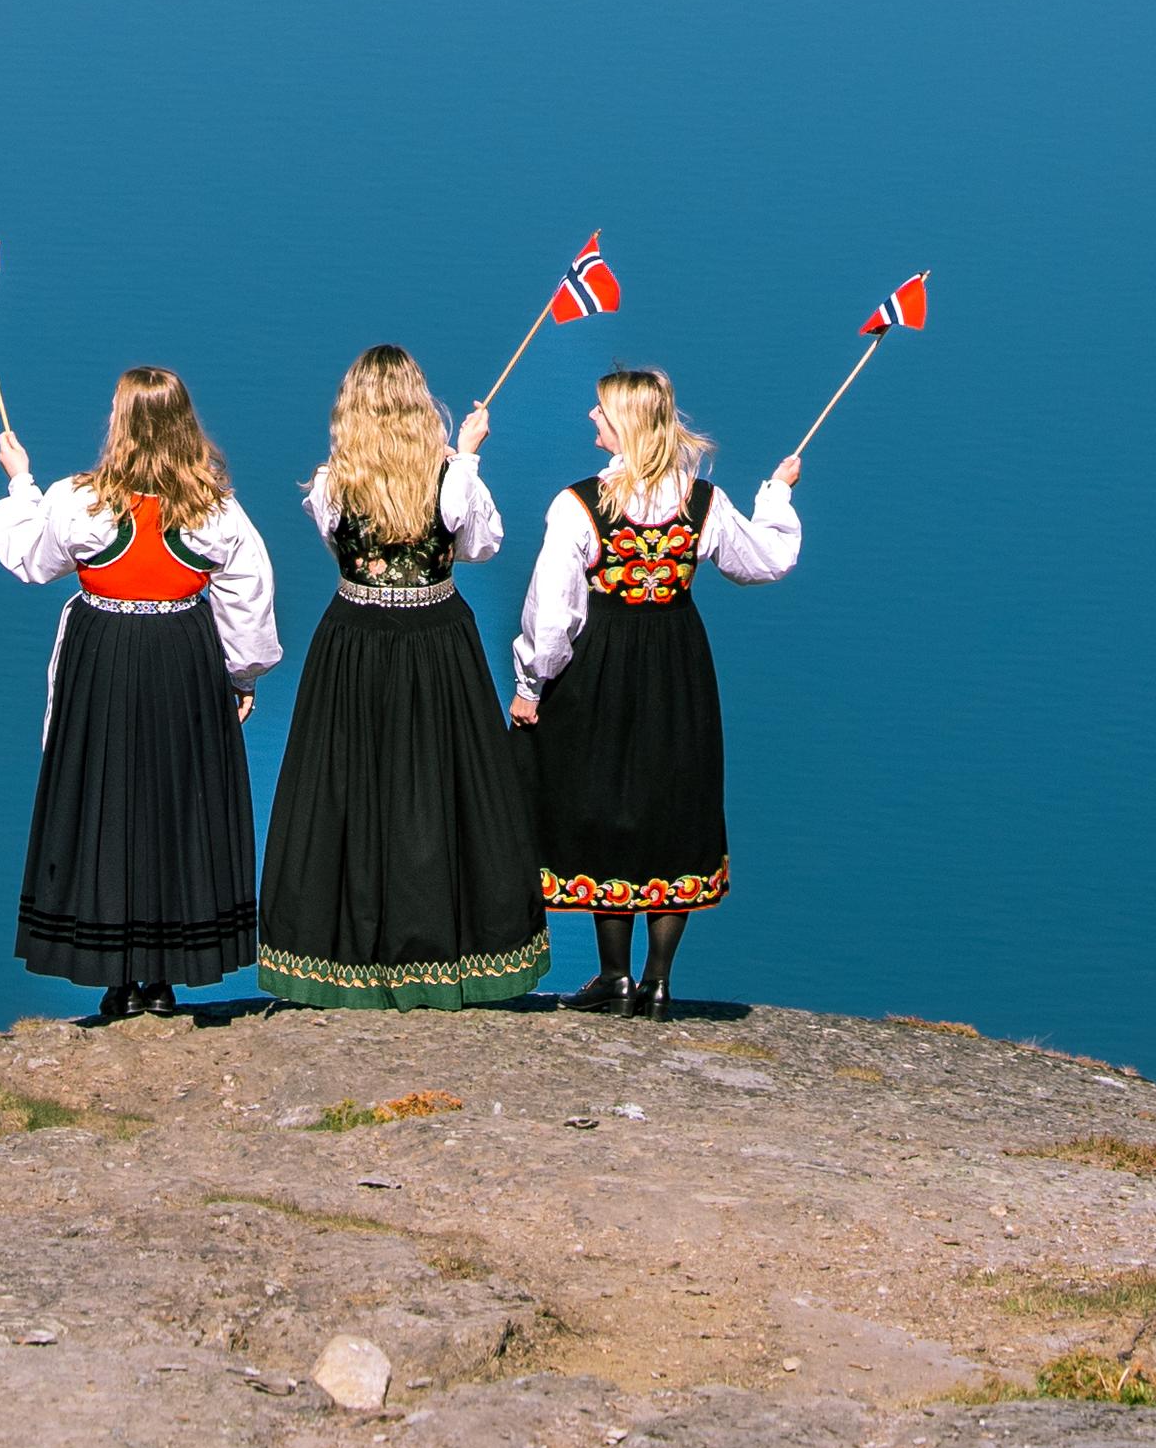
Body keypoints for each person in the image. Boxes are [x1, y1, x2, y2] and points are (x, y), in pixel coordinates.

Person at [256, 340, 547, 1009]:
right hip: (436, 640)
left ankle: (347, 956)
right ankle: (441, 952)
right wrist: (467, 456)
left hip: (352, 641)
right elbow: (478, 545)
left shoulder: (331, 483)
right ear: (422, 408)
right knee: (439, 791)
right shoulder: (452, 481)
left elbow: (338, 542)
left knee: (349, 789)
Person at [509, 362, 801, 1015]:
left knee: (605, 804)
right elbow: (765, 562)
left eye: (601, 410)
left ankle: (613, 979)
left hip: (603, 666)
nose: (591, 417)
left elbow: (552, 615)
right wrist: (777, 496)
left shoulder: (579, 503)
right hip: (678, 667)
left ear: (625, 425)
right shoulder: (704, 502)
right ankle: (659, 980)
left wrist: (532, 684)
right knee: (674, 807)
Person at [0, 361, 279, 1016]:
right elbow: (250, 601)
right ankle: (163, 977)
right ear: (185, 427)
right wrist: (241, 674)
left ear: (119, 425)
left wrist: (20, 484)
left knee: (107, 803)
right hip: (183, 659)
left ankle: (116, 977)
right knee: (176, 805)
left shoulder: (79, 501)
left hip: (105, 661)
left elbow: (29, 559)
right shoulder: (216, 511)